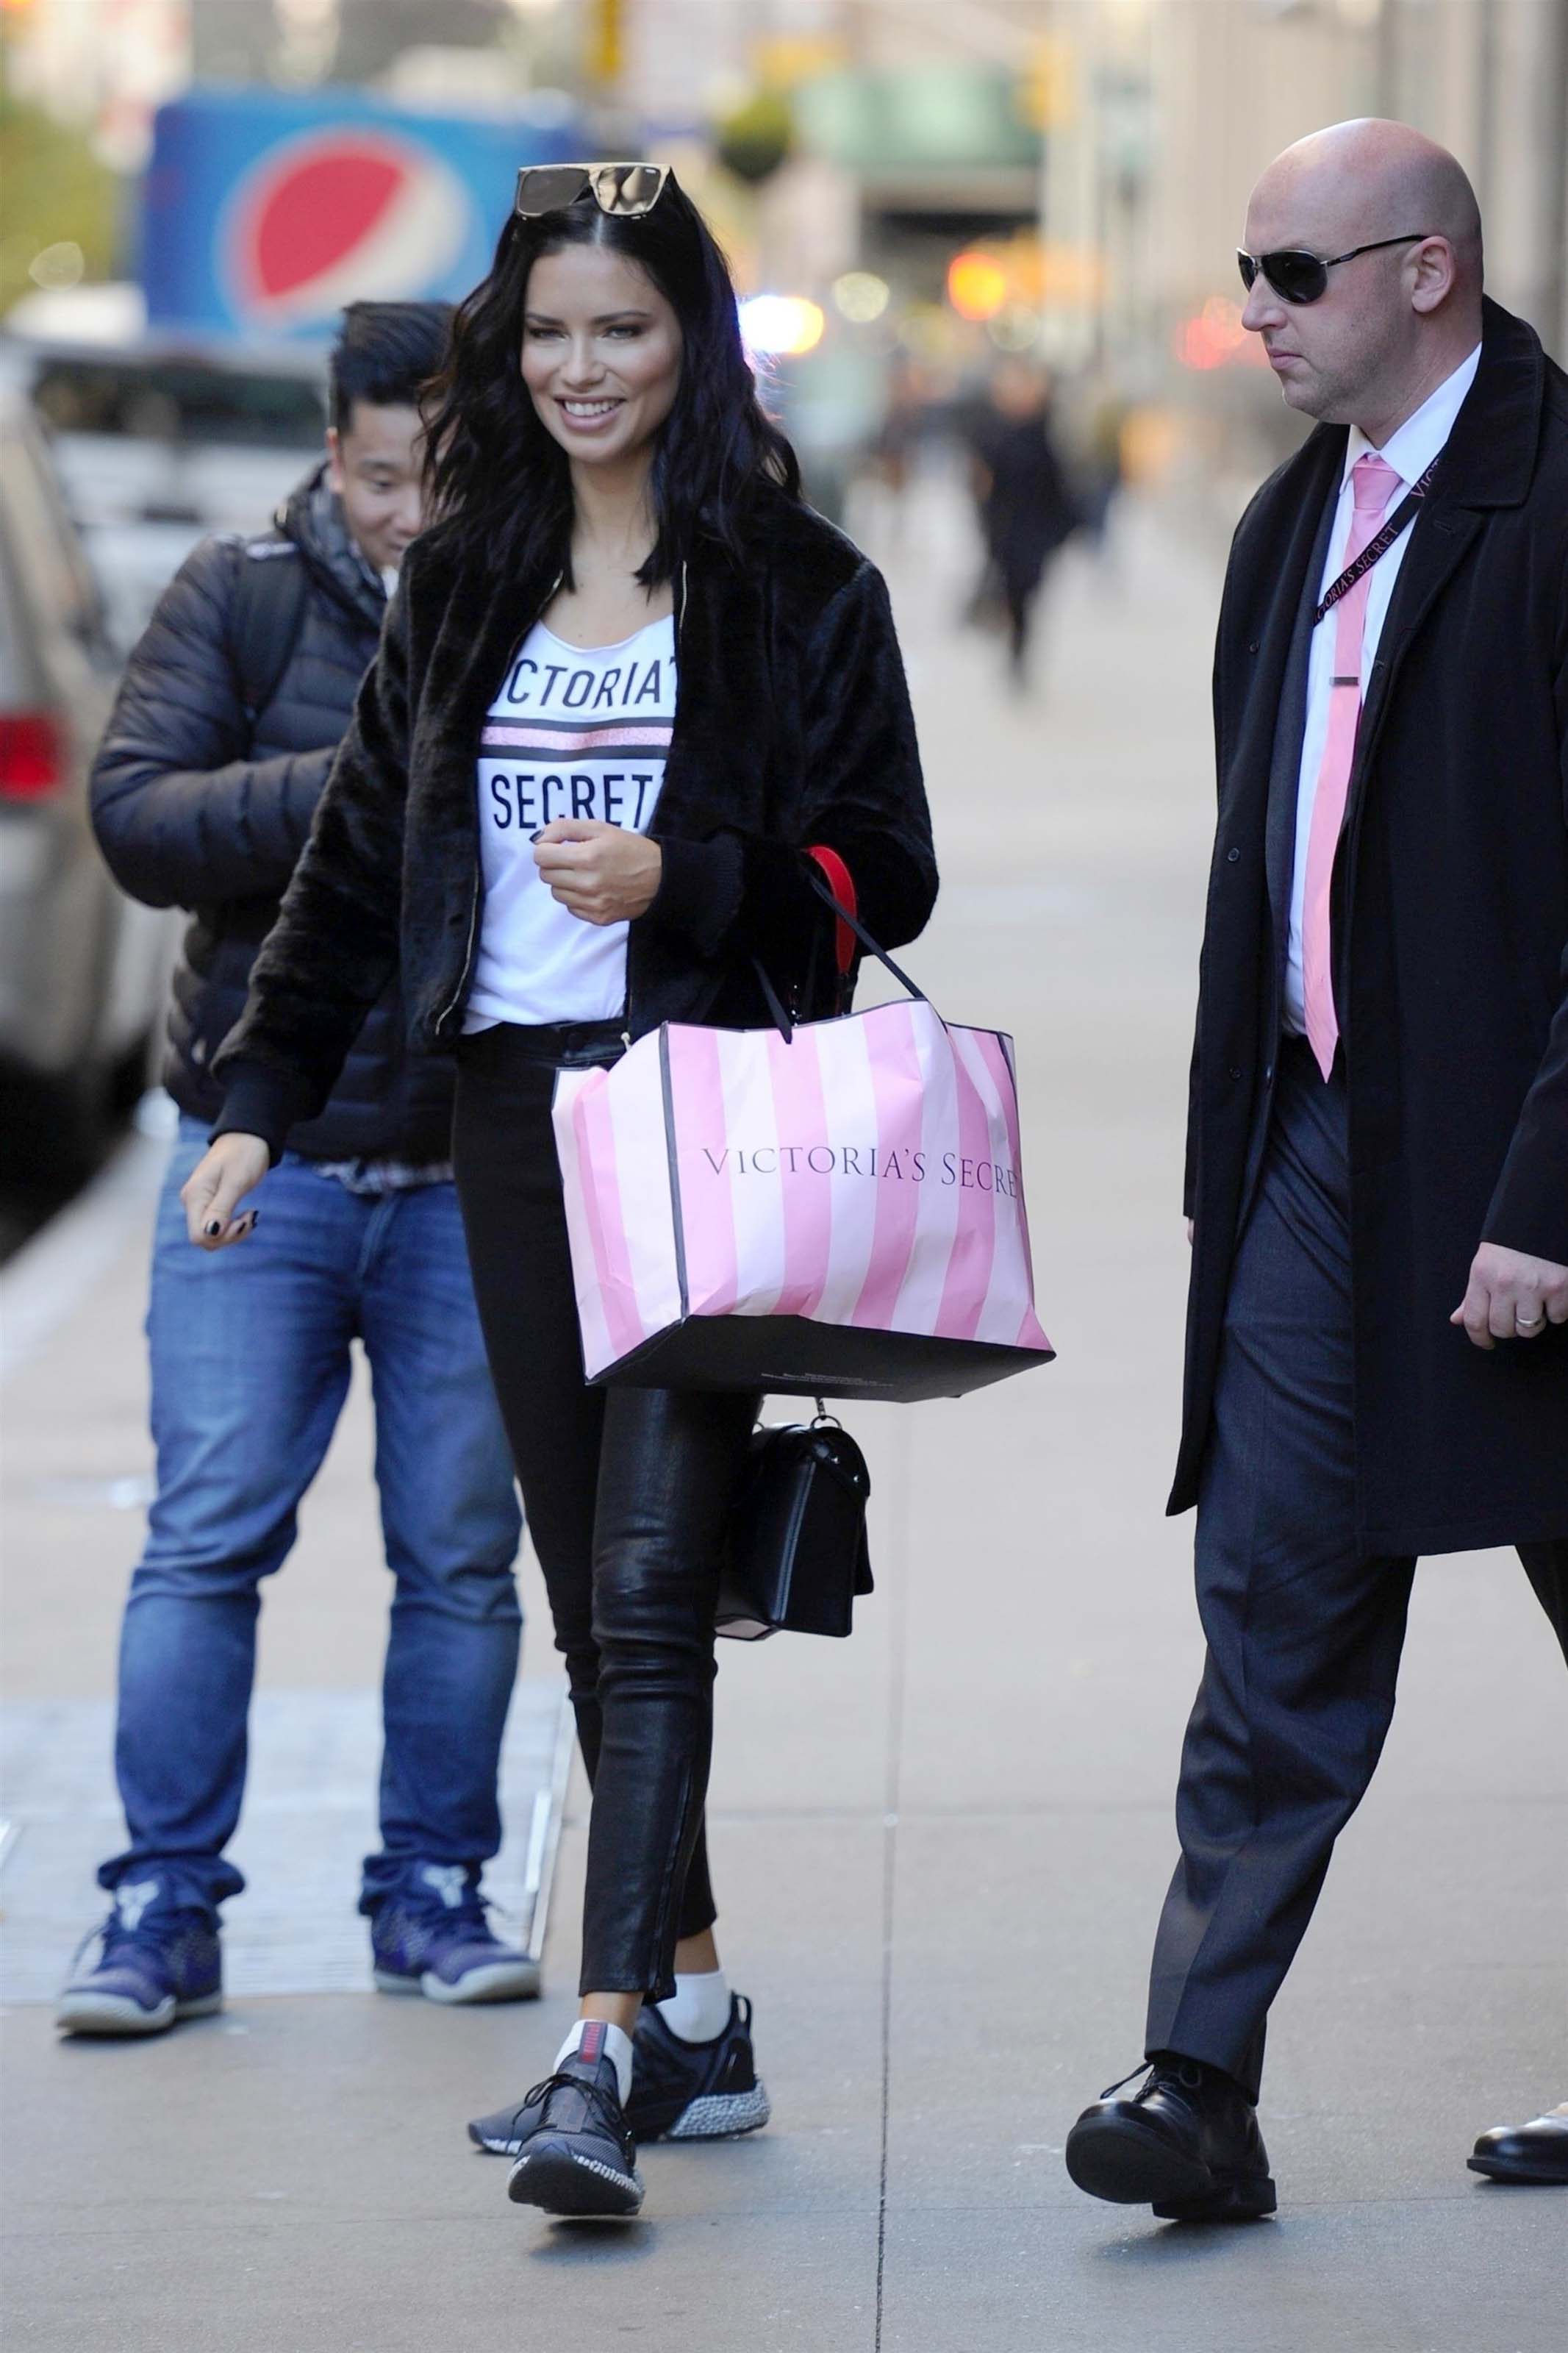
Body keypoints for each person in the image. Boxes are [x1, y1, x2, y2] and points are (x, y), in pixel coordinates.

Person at [178, 163, 937, 2219]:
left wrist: (685, 881)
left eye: (620, 328)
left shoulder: (792, 586)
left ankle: (599, 2053)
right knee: (589, 1583)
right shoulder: (465, 579)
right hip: (510, 1127)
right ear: (504, 363)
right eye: (545, 336)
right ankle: (695, 2016)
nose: (581, 367)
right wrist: (260, 1096)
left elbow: (890, 870)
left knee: (639, 1585)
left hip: (694, 1122)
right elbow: (351, 867)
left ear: (687, 339)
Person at [1062, 119, 1568, 2221]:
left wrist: (1546, 1189)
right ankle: (1195, 2080)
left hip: (1519, 1175)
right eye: (1246, 274)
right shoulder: (1292, 523)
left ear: (1426, 269)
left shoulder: (1550, 498)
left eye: (1289, 272)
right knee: (1268, 1608)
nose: (1248, 311)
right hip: (1309, 1155)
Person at [61, 302, 537, 2040]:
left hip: (466, 1162)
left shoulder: (542, 608)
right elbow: (137, 822)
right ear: (334, 456)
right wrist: (353, 782)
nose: (421, 512)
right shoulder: (239, 594)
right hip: (257, 1164)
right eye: (392, 476)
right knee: (203, 1542)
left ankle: (432, 1888)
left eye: (453, 476)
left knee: (462, 1559)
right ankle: (159, 1911)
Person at [966, 361, 1077, 684]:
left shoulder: (1044, 435)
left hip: (1036, 533)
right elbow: (982, 485)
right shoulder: (993, 434)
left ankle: (1021, 643)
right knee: (1014, 593)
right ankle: (1017, 650)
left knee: (1029, 591)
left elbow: (1059, 486)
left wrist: (1061, 530)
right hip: (1006, 531)